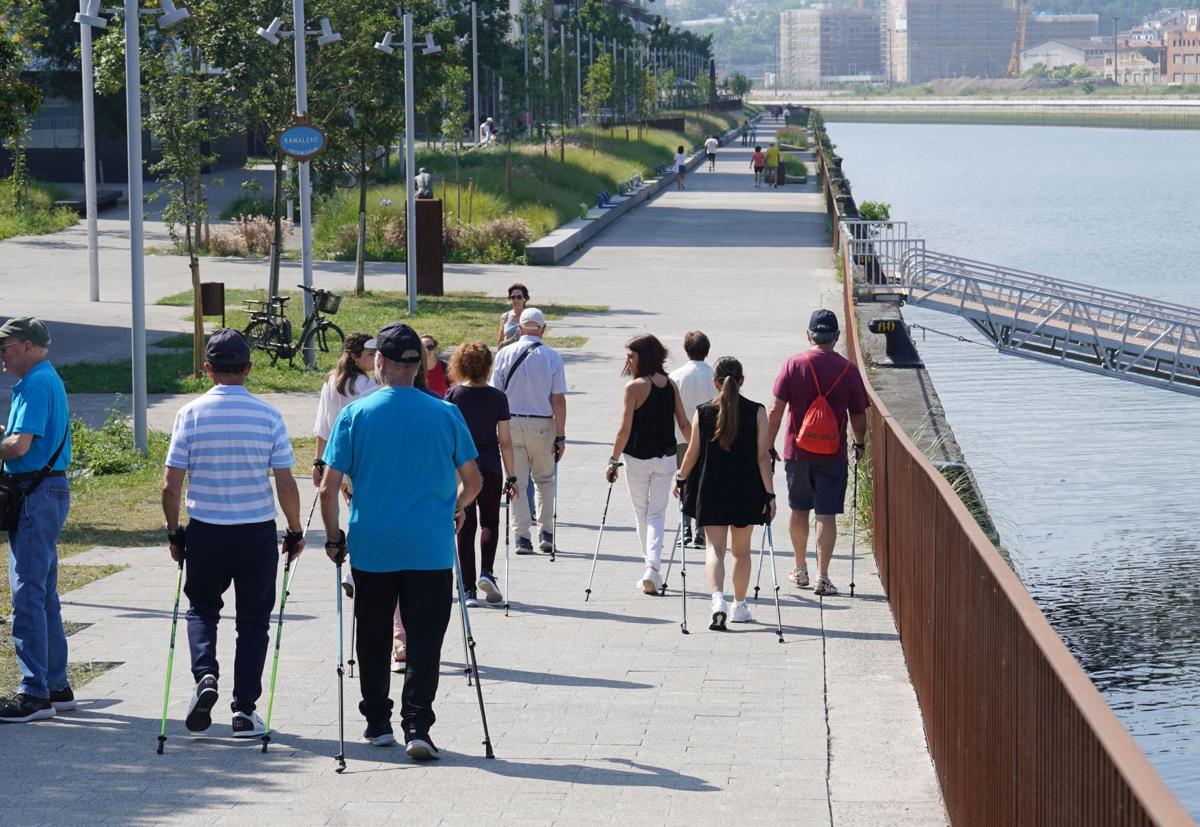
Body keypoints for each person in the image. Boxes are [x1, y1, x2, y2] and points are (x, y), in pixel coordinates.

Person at [320, 322, 481, 758]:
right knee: (425, 638)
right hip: (428, 546)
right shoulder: (446, 413)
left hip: (373, 544)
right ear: (419, 366)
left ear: (379, 364)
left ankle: (377, 722)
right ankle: (418, 727)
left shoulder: (356, 414)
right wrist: (455, 507)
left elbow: (327, 487)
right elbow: (473, 481)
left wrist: (334, 538)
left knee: (372, 634)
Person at [161, 329, 305, 738]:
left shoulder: (189, 414)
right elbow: (286, 483)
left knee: (202, 609)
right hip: (255, 531)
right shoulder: (268, 416)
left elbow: (170, 484)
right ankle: (244, 709)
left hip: (206, 529)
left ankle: (205, 676)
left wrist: (174, 532)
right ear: (248, 368)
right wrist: (294, 530)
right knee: (254, 622)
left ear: (207, 369)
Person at [0, 317, 73, 724]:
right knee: (43, 592)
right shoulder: (47, 379)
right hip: (47, 490)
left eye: (5, 348)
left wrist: (4, 442)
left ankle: (34, 693)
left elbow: (18, 447)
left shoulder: (34, 383)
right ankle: (57, 687)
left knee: (27, 592)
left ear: (26, 345)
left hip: (34, 493)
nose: (2, 357)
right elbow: (24, 440)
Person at [767, 310, 869, 597]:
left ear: (808, 334)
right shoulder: (848, 370)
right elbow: (859, 416)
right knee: (826, 514)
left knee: (799, 509)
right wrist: (859, 444)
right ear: (836, 337)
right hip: (833, 453)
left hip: (797, 452)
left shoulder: (794, 364)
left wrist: (768, 444)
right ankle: (822, 577)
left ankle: (800, 569)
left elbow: (775, 410)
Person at [676, 357, 774, 630]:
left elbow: (693, 453)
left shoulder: (703, 412)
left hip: (712, 488)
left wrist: (681, 478)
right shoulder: (757, 411)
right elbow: (762, 457)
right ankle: (739, 606)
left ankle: (717, 600)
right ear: (742, 380)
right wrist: (770, 494)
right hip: (746, 489)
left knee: (714, 549)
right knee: (741, 552)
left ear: (715, 382)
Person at [605, 335, 692, 595]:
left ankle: (651, 567)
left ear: (644, 357)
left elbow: (624, 430)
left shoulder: (634, 388)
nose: (628, 361)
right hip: (665, 459)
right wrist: (698, 452)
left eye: (631, 356)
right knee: (656, 513)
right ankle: (652, 568)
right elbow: (685, 424)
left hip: (637, 459)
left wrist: (613, 460)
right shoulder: (671, 385)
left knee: (642, 513)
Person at [446, 342, 518, 607]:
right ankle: (487, 572)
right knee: (490, 522)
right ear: (488, 366)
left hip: (462, 468)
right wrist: (512, 476)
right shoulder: (498, 397)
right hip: (490, 465)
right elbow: (506, 441)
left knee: (465, 524)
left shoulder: (453, 395)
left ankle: (467, 589)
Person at [491, 308, 567, 556]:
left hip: (510, 423)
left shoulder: (504, 354)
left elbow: (496, 394)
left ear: (520, 329)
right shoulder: (552, 357)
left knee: (517, 482)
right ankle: (546, 532)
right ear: (543, 329)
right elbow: (558, 401)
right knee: (544, 480)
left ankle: (522, 537)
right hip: (542, 424)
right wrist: (561, 435)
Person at [669, 330, 715, 548]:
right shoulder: (715, 377)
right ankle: (702, 530)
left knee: (683, 480)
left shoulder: (675, 376)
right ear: (707, 351)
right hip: (708, 438)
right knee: (705, 483)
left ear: (686, 350)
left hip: (681, 436)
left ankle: (684, 526)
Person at [497, 283, 529, 350]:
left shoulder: (529, 316)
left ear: (525, 299)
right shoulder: (505, 316)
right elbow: (500, 341)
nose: (515, 300)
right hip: (507, 354)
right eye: (513, 297)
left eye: (519, 297)